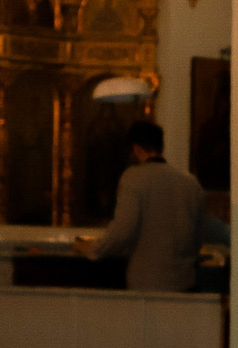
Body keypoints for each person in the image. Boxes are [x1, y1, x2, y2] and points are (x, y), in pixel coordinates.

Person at [81, 119, 226, 292]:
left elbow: (123, 231)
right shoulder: (190, 182)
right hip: (185, 283)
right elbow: (198, 232)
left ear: (136, 149)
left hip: (147, 284)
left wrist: (93, 250)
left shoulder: (134, 179)